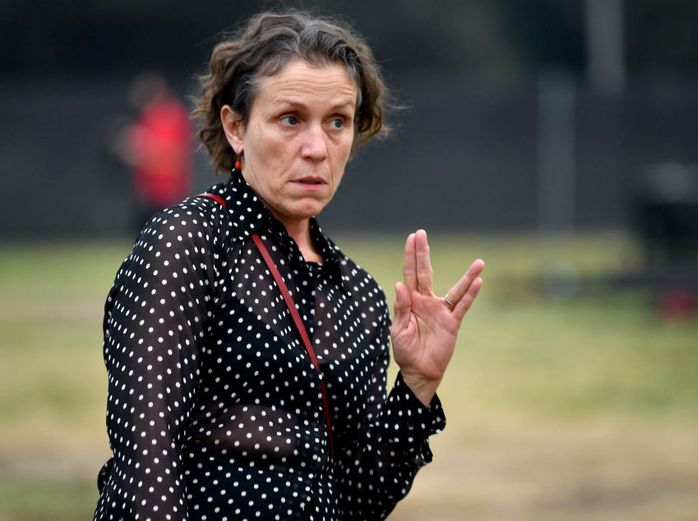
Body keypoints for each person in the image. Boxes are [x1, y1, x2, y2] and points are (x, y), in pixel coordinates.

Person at [93, 10, 484, 521]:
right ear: (235, 127)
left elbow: (354, 502)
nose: (317, 148)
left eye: (337, 121)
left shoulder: (358, 295)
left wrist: (417, 385)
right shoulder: (189, 243)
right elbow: (144, 469)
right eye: (291, 119)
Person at [120, 73, 194, 230]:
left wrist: (142, 149)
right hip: (149, 191)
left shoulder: (171, 115)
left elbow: (170, 154)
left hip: (166, 190)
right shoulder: (146, 117)